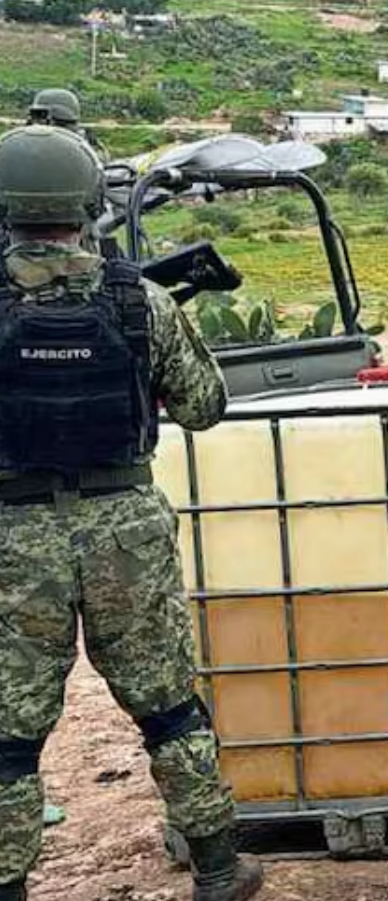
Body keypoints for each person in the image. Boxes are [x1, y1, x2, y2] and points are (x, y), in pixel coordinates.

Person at [0, 126, 262, 901]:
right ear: (87, 202)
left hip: (12, 536)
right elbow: (205, 406)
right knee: (170, 707)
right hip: (126, 530)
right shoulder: (138, 298)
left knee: (8, 735)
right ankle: (218, 869)